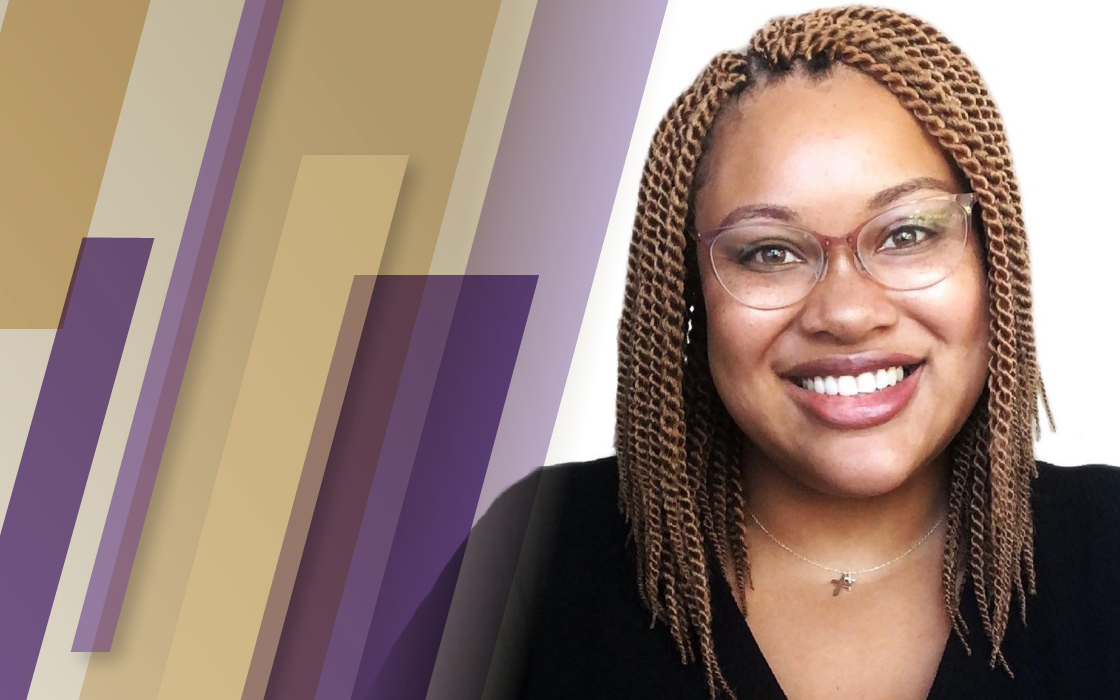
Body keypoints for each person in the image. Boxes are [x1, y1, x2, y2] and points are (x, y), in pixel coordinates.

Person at [473, 6, 1120, 700]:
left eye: (906, 234)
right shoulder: (532, 557)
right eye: (769, 252)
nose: (845, 313)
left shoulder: (1107, 547)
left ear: (994, 265)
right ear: (690, 296)